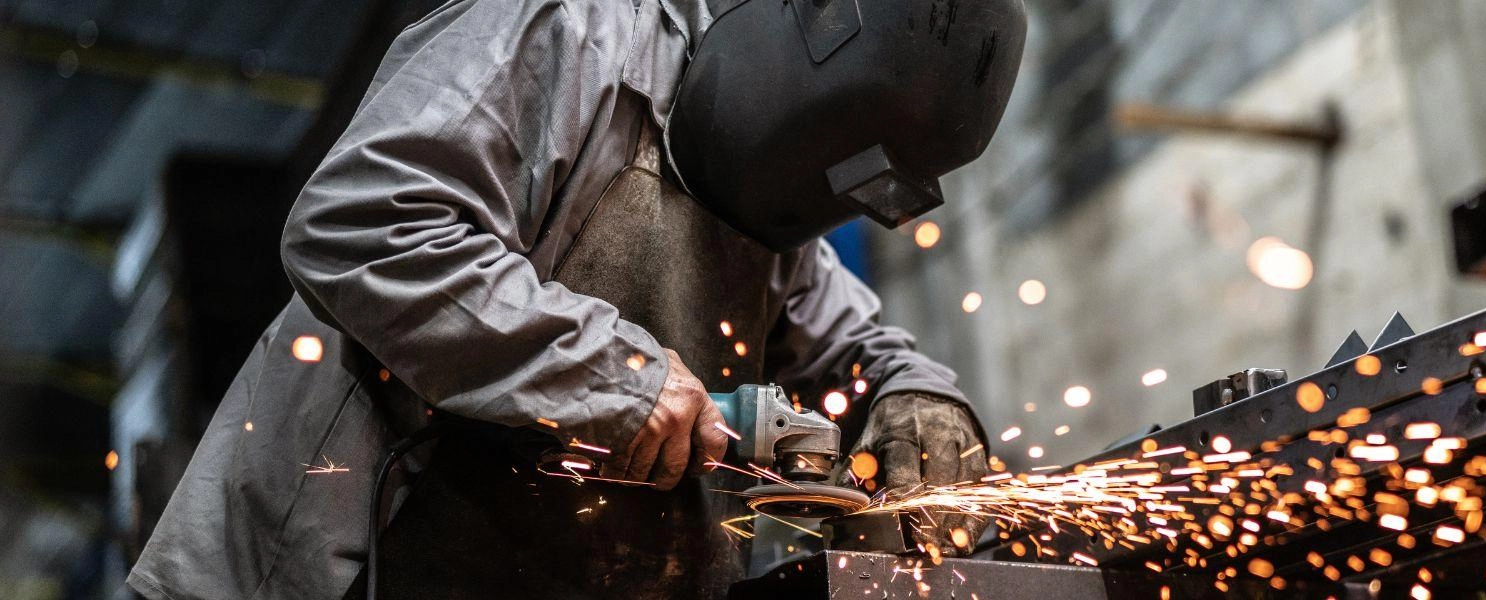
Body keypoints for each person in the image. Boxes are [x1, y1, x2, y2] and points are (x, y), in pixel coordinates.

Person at [126, 0, 1026, 598]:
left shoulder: (773, 197)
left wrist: (921, 399)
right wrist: (619, 378)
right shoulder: (568, 30)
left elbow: (860, 347)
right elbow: (359, 223)